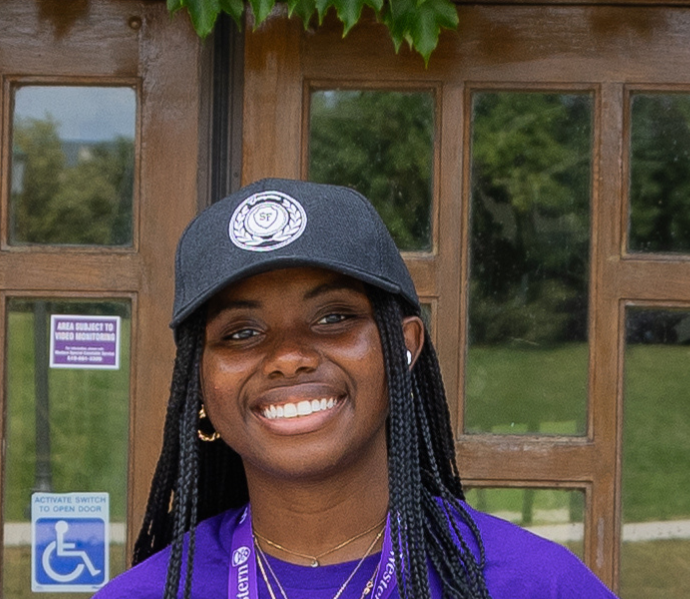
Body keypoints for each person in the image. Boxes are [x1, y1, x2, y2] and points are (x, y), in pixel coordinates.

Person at [95, 179, 614, 599]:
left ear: (403, 348)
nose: (288, 357)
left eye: (333, 317)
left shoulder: (532, 584)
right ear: (201, 383)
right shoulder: (148, 593)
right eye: (242, 333)